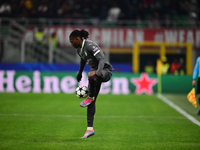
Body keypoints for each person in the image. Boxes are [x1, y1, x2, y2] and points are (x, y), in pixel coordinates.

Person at [69, 29, 114, 138]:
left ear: (78, 39)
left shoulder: (90, 45)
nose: (71, 44)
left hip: (105, 71)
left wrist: (98, 73)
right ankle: (90, 129)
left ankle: (90, 96)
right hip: (95, 76)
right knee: (91, 103)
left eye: (72, 41)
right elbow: (83, 60)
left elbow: (102, 59)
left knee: (91, 76)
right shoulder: (79, 50)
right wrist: (79, 73)